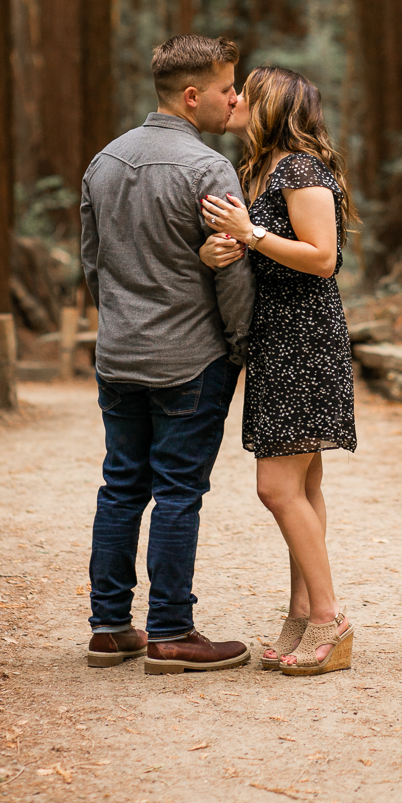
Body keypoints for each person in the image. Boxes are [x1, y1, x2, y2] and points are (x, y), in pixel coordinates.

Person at [81, 34, 256, 675]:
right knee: (180, 491)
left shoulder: (104, 162)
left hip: (119, 356)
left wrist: (120, 325)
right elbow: (232, 274)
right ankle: (172, 631)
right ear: (191, 96)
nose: (234, 99)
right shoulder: (208, 169)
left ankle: (108, 628)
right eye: (226, 88)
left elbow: (93, 264)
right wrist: (238, 346)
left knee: (121, 487)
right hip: (190, 358)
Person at [199, 65, 356, 676]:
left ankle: (329, 618)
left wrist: (251, 232)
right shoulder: (260, 169)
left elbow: (323, 259)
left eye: (245, 92)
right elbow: (260, 250)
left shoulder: (299, 168)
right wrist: (225, 248)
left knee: (276, 487)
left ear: (270, 106)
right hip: (276, 338)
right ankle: (301, 612)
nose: (233, 99)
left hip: (304, 339)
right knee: (305, 486)